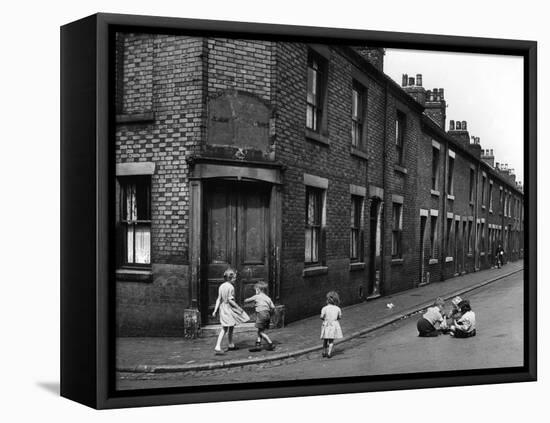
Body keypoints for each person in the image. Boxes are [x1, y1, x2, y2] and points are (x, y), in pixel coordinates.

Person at [212, 268, 249, 355]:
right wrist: (238, 308)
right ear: (230, 278)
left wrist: (215, 310)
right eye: (234, 278)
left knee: (231, 325)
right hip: (228, 308)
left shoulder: (221, 286)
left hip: (223, 308)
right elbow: (231, 300)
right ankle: (217, 346)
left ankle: (231, 344)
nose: (235, 279)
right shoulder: (231, 287)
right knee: (225, 328)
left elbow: (219, 299)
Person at [244, 281, 276, 352]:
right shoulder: (268, 298)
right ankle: (258, 345)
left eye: (255, 290)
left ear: (258, 289)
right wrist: (270, 314)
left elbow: (247, 300)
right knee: (260, 330)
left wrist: (245, 300)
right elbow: (273, 307)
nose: (255, 291)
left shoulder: (257, 296)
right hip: (267, 315)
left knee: (261, 332)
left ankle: (270, 344)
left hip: (261, 315)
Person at [320, 291, 343, 358]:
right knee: (331, 340)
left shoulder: (324, 308)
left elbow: (321, 317)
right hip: (333, 325)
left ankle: (324, 351)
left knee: (325, 339)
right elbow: (339, 317)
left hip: (326, 324)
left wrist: (325, 319)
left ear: (327, 300)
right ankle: (329, 353)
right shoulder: (338, 308)